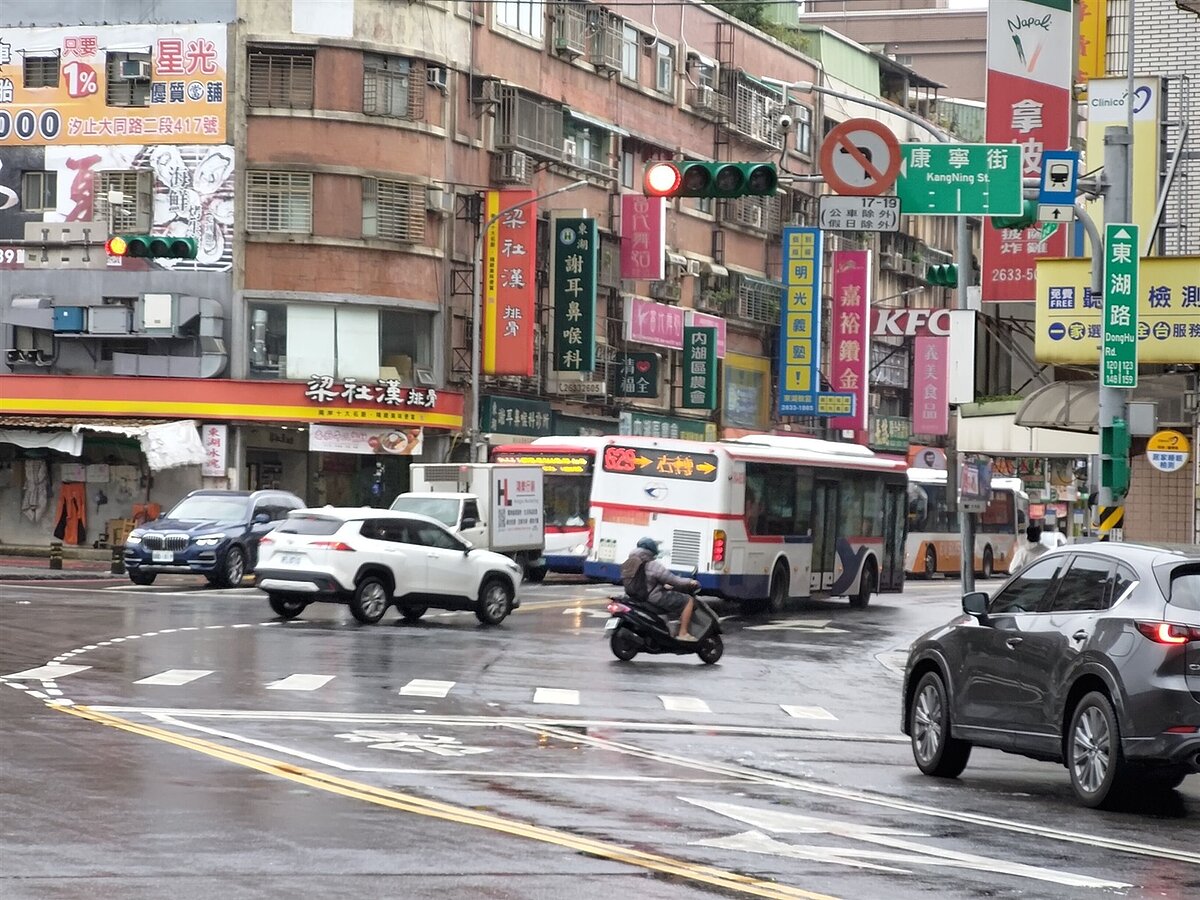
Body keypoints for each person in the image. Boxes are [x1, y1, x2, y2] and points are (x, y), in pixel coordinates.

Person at [620, 536, 701, 640]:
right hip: (652, 597)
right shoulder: (653, 565)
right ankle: (683, 633)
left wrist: (662, 585)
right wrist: (690, 582)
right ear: (652, 550)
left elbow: (642, 581)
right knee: (688, 601)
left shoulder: (629, 563)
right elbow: (674, 580)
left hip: (633, 597)